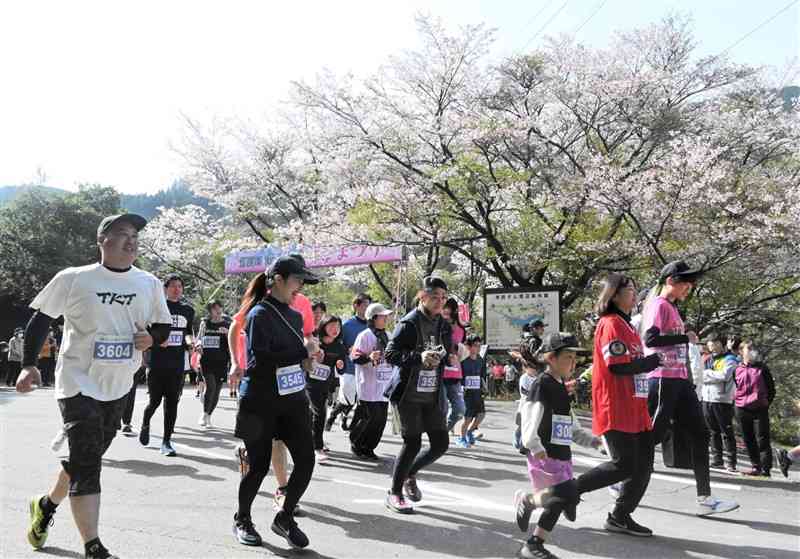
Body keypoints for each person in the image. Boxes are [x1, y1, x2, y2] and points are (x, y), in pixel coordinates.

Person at [17, 213, 172, 559]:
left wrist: (151, 338)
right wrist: (28, 365)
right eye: (121, 234)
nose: (130, 241)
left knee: (83, 459)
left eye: (134, 235)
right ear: (102, 240)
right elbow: (40, 320)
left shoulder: (148, 283)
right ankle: (93, 546)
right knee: (89, 464)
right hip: (77, 382)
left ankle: (44, 505)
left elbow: (163, 327)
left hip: (118, 383)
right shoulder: (74, 279)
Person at [232, 255, 321, 549]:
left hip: (292, 400)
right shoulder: (259, 313)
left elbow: (294, 360)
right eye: (297, 280)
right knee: (257, 467)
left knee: (306, 459)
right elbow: (259, 360)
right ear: (278, 280)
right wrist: (300, 355)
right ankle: (242, 518)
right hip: (260, 400)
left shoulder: (295, 316)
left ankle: (284, 516)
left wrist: (308, 360)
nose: (300, 287)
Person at [641, 260, 739, 516]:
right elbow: (650, 339)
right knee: (654, 435)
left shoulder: (672, 308)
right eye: (686, 283)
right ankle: (621, 478)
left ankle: (705, 499)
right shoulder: (658, 305)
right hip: (662, 377)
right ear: (671, 280)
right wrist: (686, 337)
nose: (689, 288)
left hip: (680, 379)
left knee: (700, 434)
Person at [570, 273, 661, 536]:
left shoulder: (629, 326)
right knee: (624, 464)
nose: (634, 294)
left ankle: (620, 516)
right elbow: (617, 366)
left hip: (636, 406)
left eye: (635, 289)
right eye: (630, 289)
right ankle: (571, 490)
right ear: (614, 294)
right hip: (617, 405)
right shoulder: (610, 323)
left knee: (643, 465)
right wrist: (649, 363)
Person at [513, 332, 601, 559]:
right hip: (544, 453)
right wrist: (534, 445)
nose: (573, 363)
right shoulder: (542, 384)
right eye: (567, 357)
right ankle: (533, 544)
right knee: (564, 495)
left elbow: (567, 421)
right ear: (551, 358)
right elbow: (529, 416)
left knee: (561, 498)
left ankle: (529, 504)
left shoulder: (560, 384)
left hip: (562, 453)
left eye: (575, 358)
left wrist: (590, 440)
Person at [384, 276, 452, 514]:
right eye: (435, 297)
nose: (439, 302)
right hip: (408, 394)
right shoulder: (409, 323)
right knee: (412, 442)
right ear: (422, 296)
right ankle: (394, 492)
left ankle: (410, 472)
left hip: (433, 393)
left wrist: (452, 355)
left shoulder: (444, 325)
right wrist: (417, 358)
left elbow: (447, 350)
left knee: (441, 444)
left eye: (443, 298)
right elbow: (390, 354)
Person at [139, 274, 195, 457]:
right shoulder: (156, 308)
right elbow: (145, 331)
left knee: (172, 403)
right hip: (157, 363)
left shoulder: (188, 310)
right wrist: (156, 341)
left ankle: (166, 441)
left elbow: (187, 333)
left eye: (180, 286)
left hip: (177, 364)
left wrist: (192, 343)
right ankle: (145, 423)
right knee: (154, 402)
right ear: (165, 289)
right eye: (173, 286)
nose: (177, 289)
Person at [349, 303, 394, 460]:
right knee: (370, 418)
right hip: (368, 384)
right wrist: (368, 357)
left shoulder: (389, 335)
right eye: (382, 316)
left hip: (384, 384)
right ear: (373, 318)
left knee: (380, 421)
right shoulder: (365, 335)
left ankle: (369, 447)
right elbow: (354, 356)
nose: (386, 318)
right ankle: (356, 443)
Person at [327, 293, 372, 431]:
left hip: (365, 368)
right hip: (348, 368)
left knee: (357, 398)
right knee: (348, 397)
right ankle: (332, 416)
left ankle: (343, 419)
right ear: (356, 306)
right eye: (364, 304)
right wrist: (347, 350)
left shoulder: (372, 325)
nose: (367, 307)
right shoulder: (346, 325)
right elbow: (338, 344)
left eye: (369, 304)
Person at [734, 341, 775, 476]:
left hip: (759, 409)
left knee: (762, 439)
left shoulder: (762, 368)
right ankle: (755, 466)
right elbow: (737, 386)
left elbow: (771, 390)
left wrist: (764, 403)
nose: (752, 351)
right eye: (749, 348)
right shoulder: (737, 369)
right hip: (742, 409)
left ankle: (765, 469)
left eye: (753, 348)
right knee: (748, 439)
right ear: (741, 351)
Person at [308, 315, 346, 462]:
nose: (335, 330)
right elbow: (303, 360)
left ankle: (313, 442)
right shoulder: (314, 342)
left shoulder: (339, 346)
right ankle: (318, 447)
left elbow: (342, 369)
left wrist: (340, 366)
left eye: (337, 327)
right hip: (309, 383)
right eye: (331, 326)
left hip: (326, 384)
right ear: (323, 326)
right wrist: (312, 357)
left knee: (314, 414)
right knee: (320, 413)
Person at [701, 332, 739, 472]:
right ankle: (717, 460)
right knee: (712, 431)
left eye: (715, 342)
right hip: (707, 398)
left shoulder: (730, 359)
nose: (712, 345)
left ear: (721, 344)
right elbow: (700, 376)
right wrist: (708, 375)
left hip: (722, 400)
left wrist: (707, 374)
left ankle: (731, 462)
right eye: (710, 342)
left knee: (726, 432)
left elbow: (724, 375)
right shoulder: (707, 359)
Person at [196, 300, 232, 428]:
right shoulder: (205, 323)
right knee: (210, 386)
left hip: (222, 361)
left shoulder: (228, 324)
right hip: (207, 360)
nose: (218, 311)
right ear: (210, 311)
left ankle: (209, 416)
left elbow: (235, 341)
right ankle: (204, 414)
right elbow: (199, 338)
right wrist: (198, 345)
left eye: (219, 308)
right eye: (214, 309)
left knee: (216, 391)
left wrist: (228, 333)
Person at [441, 298, 467, 442]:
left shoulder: (461, 329)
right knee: (442, 408)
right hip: (440, 373)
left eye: (447, 307)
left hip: (456, 373)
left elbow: (463, 350)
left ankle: (444, 430)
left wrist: (458, 349)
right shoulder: (438, 325)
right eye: (443, 307)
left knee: (460, 409)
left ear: (454, 310)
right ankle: (440, 437)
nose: (444, 310)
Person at [460, 334, 486, 446]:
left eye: (479, 346)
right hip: (467, 393)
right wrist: (461, 387)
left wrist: (484, 386)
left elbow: (482, 375)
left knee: (481, 414)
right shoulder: (463, 360)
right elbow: (459, 375)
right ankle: (462, 438)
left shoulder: (480, 360)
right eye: (475, 345)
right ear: (469, 347)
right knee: (468, 418)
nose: (478, 348)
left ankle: (470, 432)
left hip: (478, 392)